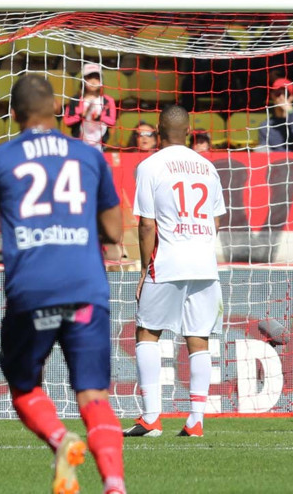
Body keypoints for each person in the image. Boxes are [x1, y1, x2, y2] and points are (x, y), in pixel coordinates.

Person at [0, 75, 126, 494]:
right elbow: (115, 231)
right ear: (59, 108)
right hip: (86, 288)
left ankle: (61, 440)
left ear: (13, 114)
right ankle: (115, 484)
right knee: (93, 395)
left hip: (32, 291)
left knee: (23, 386)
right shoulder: (89, 156)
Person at [124, 105, 226, 438]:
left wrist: (144, 268)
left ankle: (151, 418)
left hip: (167, 260)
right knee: (198, 338)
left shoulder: (150, 165)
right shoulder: (208, 167)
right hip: (204, 263)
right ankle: (195, 421)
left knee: (147, 333)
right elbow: (216, 220)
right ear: (189, 131)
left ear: (158, 130)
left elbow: (146, 224)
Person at [63, 63, 117, 151]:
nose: (93, 82)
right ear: (83, 80)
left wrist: (99, 117)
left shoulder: (108, 100)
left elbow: (112, 121)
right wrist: (81, 115)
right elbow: (67, 121)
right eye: (89, 78)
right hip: (80, 143)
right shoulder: (75, 100)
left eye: (97, 78)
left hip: (100, 144)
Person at [258, 78, 293, 152]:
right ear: (272, 96)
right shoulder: (265, 126)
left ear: (291, 97)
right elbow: (264, 150)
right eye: (278, 93)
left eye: (286, 94)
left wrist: (291, 113)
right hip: (279, 158)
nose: (282, 97)